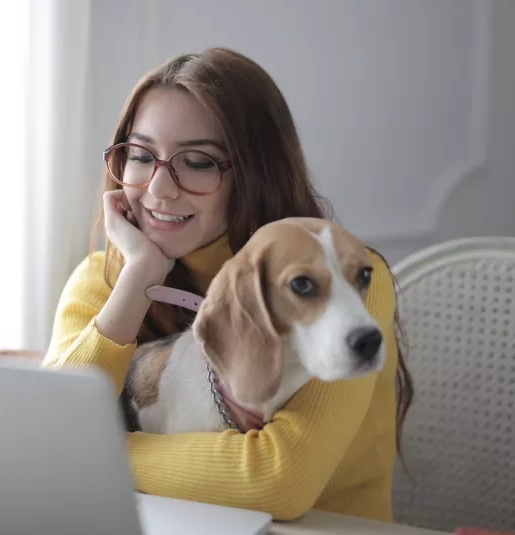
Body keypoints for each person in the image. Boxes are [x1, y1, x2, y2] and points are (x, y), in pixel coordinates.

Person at [41, 47, 413, 522]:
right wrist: (136, 282)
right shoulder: (104, 278)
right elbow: (51, 432)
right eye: (139, 155)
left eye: (197, 162)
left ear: (256, 172)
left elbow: (280, 482)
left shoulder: (355, 278)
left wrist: (94, 456)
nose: (158, 188)